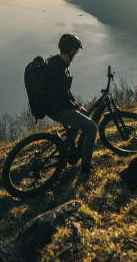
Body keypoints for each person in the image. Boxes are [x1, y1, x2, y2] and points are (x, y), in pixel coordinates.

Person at [47, 33, 97, 179]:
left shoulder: (56, 62)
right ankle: (85, 170)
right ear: (70, 50)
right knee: (92, 127)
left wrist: (74, 103)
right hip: (58, 110)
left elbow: (63, 92)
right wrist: (72, 105)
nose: (75, 54)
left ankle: (70, 147)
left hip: (54, 106)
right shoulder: (59, 70)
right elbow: (61, 97)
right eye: (75, 50)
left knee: (84, 113)